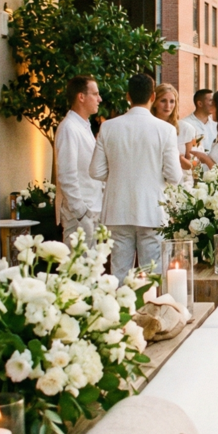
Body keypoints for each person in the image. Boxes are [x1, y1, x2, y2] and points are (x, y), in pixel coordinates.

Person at [89, 74, 182, 282]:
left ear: (128, 96)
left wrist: (118, 176)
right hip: (152, 209)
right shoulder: (166, 130)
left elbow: (96, 171)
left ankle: (122, 312)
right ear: (152, 96)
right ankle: (151, 310)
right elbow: (174, 176)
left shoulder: (109, 127)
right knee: (153, 272)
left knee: (120, 272)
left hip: (118, 208)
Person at [55, 75, 104, 245]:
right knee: (78, 269)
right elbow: (66, 174)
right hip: (80, 217)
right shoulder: (69, 127)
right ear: (81, 97)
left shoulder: (83, 126)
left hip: (91, 211)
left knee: (92, 268)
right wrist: (81, 212)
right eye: (95, 94)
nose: (100, 99)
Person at [152, 84, 196, 182]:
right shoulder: (148, 127)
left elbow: (193, 165)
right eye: (163, 101)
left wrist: (176, 157)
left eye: (172, 101)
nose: (168, 106)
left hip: (180, 185)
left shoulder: (186, 129)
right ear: (154, 102)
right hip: (154, 183)